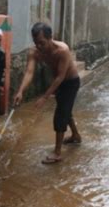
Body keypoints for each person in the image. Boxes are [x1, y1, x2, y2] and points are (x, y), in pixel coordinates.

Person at [13, 22, 82, 164]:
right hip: (59, 82)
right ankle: (75, 135)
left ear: (51, 38)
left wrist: (45, 97)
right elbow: (29, 72)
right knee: (66, 111)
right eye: (36, 42)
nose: (39, 46)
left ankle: (57, 153)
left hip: (70, 82)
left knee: (60, 114)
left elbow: (60, 77)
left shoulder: (62, 50)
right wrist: (20, 91)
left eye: (42, 43)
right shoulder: (34, 52)